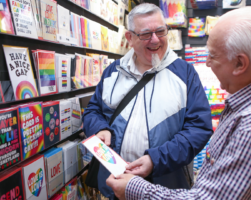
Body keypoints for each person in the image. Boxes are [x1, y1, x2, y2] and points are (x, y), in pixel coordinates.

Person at [106, 6, 251, 200]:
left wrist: (135, 188)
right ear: (130, 37)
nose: (206, 62)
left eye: (213, 55)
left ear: (240, 64)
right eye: (146, 34)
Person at [82, 3, 213, 199]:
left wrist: (155, 160)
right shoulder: (112, 72)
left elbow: (199, 128)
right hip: (114, 185)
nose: (155, 40)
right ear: (130, 38)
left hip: (165, 187)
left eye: (160, 31)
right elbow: (93, 110)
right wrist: (100, 129)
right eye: (145, 34)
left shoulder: (184, 73)